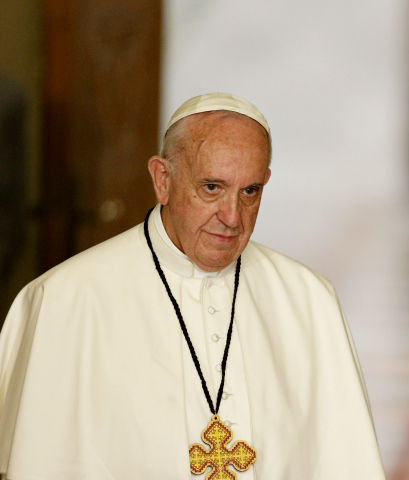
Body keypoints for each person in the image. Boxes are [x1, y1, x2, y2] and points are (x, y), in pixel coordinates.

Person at [0, 93, 386, 479]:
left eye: (250, 191)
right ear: (162, 180)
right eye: (212, 188)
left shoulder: (308, 300)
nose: (232, 217)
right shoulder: (64, 300)